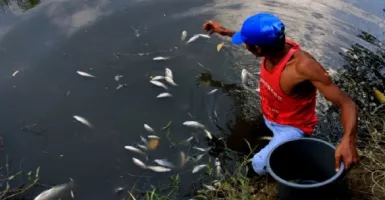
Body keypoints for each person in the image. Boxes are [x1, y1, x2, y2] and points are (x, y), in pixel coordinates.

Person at [203, 12, 359, 175]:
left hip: (292, 128)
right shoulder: (274, 46)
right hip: (269, 115)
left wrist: (348, 139)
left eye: (247, 44)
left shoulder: (304, 67)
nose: (246, 47)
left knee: (258, 164)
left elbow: (347, 103)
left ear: (258, 49)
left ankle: (285, 164)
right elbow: (253, 41)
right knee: (234, 143)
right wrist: (224, 31)